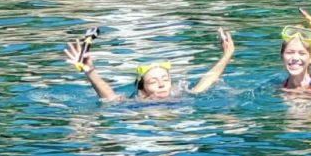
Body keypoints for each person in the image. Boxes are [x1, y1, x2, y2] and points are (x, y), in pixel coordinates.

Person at [63, 27, 235, 102]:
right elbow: (110, 98)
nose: (161, 84)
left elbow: (207, 80)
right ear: (142, 90)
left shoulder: (181, 96)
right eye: (153, 82)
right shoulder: (138, 104)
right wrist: (90, 72)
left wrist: (227, 55)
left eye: (164, 79)